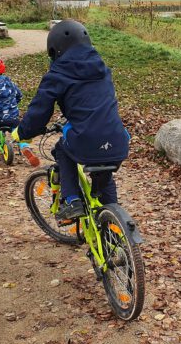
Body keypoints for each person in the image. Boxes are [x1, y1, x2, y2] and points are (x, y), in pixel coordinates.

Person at [12, 20, 130, 222]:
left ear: (55, 49)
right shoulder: (102, 70)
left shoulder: (57, 75)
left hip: (85, 140)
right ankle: (114, 221)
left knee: (62, 151)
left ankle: (72, 201)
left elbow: (40, 110)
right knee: (104, 172)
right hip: (118, 140)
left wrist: (23, 132)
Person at [0, 53, 40, 166]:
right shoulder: (10, 82)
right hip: (12, 118)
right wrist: (12, 105)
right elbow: (19, 95)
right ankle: (25, 148)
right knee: (19, 133)